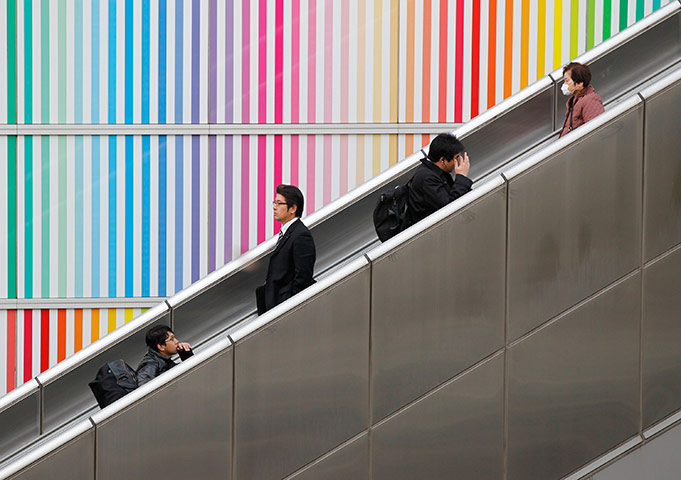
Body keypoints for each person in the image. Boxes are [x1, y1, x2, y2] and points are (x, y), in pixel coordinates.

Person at [256, 184, 316, 314]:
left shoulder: (301, 235)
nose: (274, 207)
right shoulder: (288, 233)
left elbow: (303, 276)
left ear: (293, 208)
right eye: (274, 203)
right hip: (276, 304)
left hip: (286, 308)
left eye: (279, 203)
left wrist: (288, 304)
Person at [403, 132, 473, 229]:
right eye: (456, 158)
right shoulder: (427, 178)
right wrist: (461, 177)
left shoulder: (436, 172)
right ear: (442, 160)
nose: (459, 161)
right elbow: (450, 207)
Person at [559, 62, 605, 137]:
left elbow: (595, 130)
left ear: (579, 83)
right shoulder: (574, 101)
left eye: (567, 80)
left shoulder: (590, 100)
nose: (564, 84)